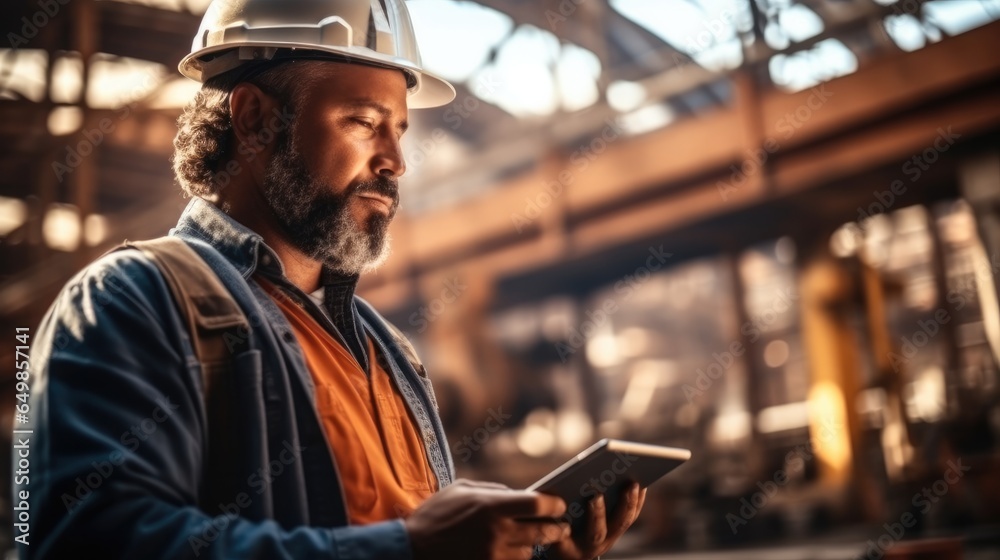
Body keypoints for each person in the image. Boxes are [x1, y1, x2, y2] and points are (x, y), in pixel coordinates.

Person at [20, 1, 646, 558]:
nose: (396, 162)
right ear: (254, 117)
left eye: (399, 131)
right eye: (363, 122)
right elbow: (88, 541)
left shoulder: (387, 351)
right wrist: (406, 549)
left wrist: (532, 551)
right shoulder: (134, 300)